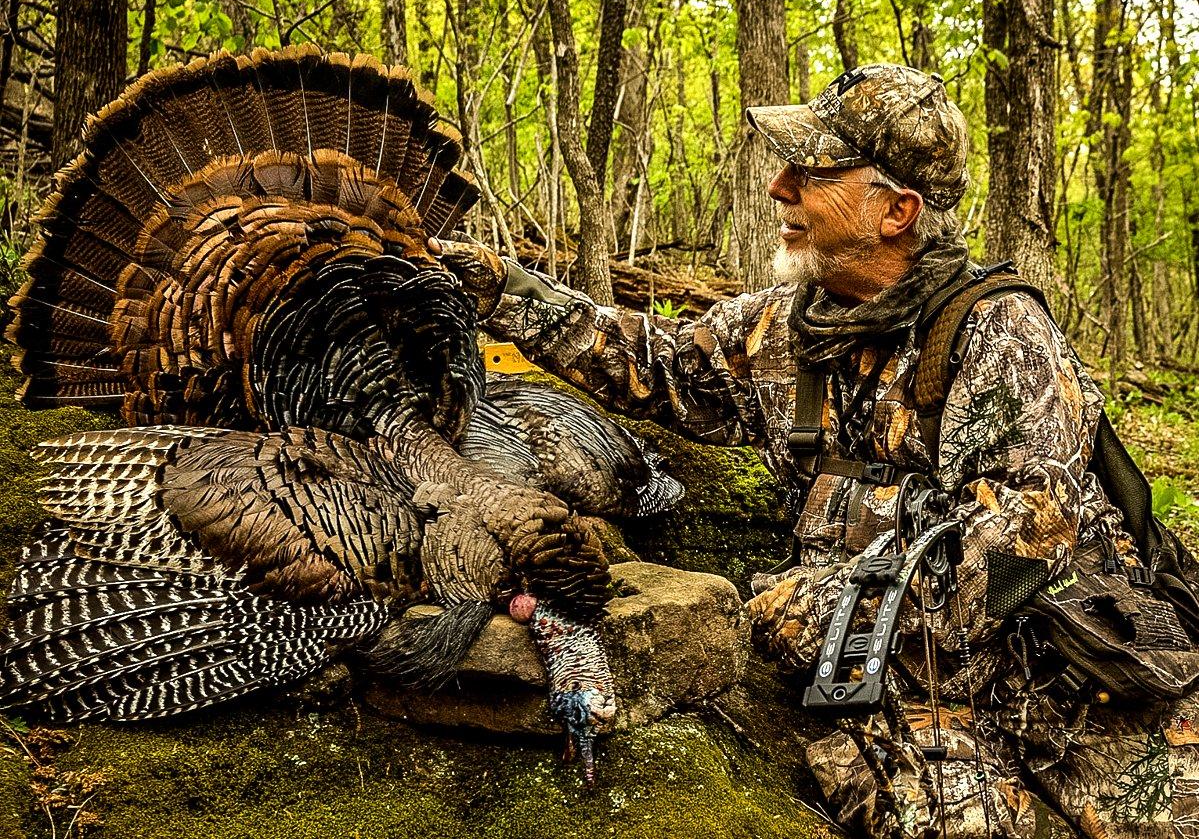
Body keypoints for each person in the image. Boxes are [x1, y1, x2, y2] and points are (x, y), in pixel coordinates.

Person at [434, 63, 1199, 839]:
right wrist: (505, 291)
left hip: (1077, 685)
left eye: (813, 171)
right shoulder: (786, 326)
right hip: (897, 700)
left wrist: (802, 606)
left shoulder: (997, 335)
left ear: (896, 210)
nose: (777, 187)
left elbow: (1014, 563)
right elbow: (657, 362)